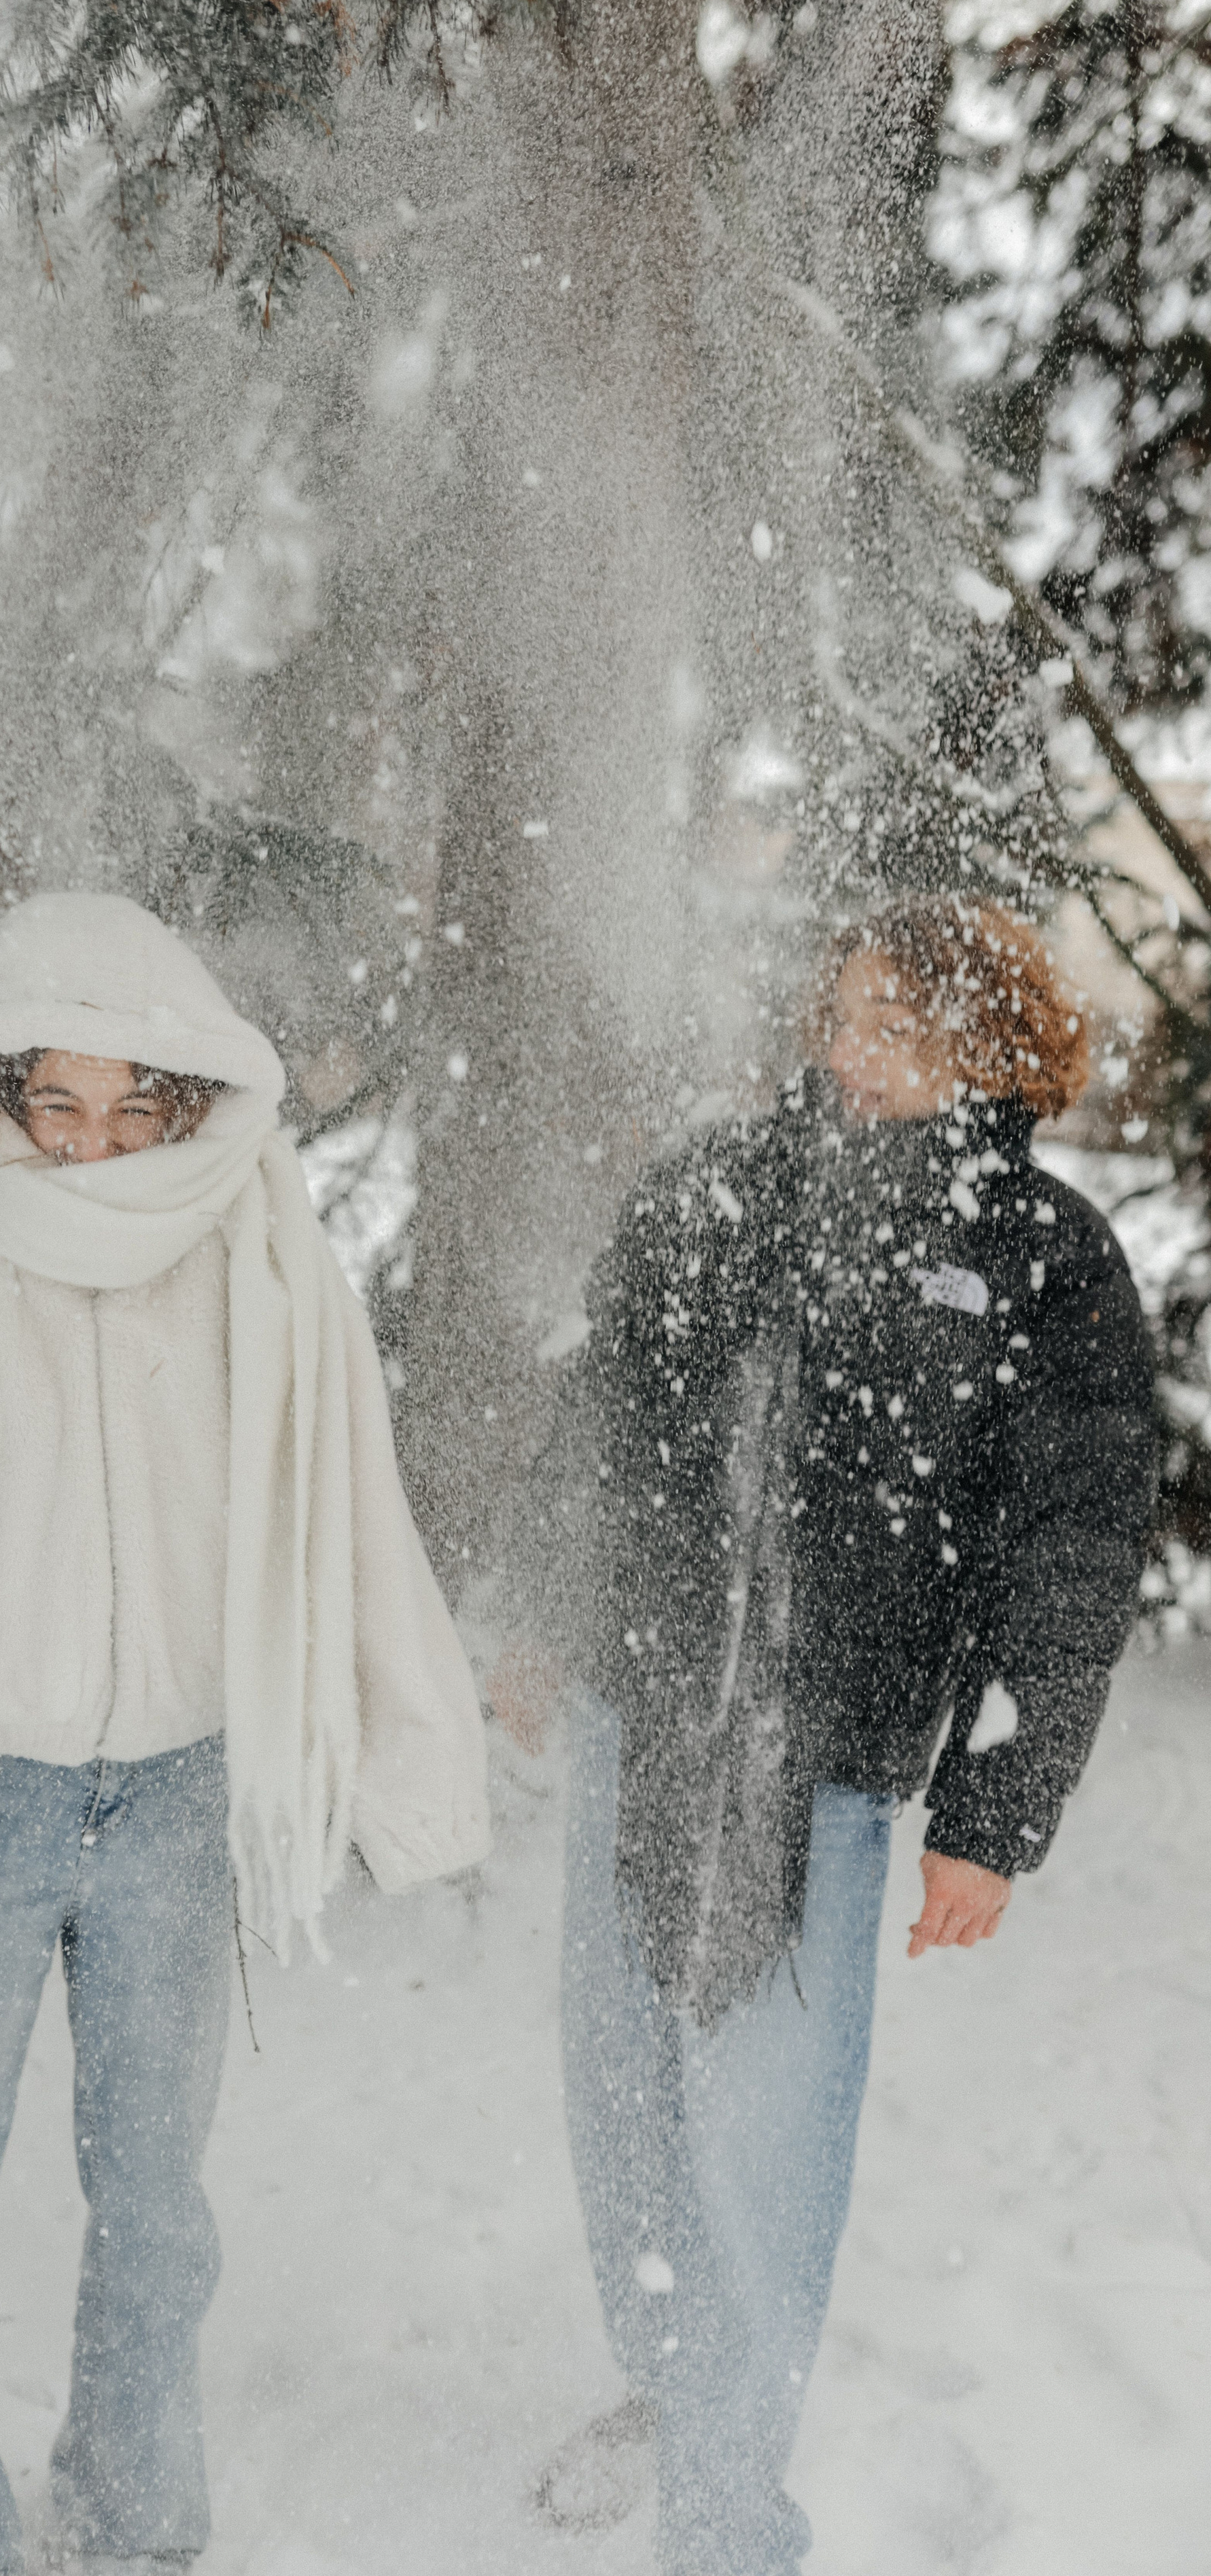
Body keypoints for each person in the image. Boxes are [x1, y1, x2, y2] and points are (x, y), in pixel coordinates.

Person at [0, 892, 490, 2576]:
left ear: (182, 1094)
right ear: (0, 1089)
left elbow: (345, 1500)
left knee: (157, 2215)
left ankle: (133, 2519)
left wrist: (405, 1758)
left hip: (174, 1783)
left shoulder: (251, 1236)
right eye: (56, 1106)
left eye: (127, 1106)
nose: (92, 1147)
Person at [491, 896, 1153, 2576]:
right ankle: (666, 2386)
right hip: (646, 1724)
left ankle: (729, 2519)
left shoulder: (1042, 1260)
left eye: (903, 1029)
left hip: (830, 1775)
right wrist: (540, 1616)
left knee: (761, 2151)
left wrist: (989, 1812)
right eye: (846, 1015)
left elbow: (1067, 1548)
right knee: (623, 2101)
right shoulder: (715, 1189)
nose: (857, 1055)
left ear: (992, 1048)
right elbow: (599, 1413)